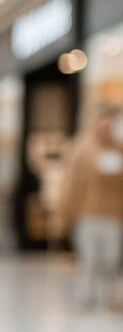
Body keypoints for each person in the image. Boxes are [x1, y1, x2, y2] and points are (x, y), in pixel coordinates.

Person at [61, 105, 123, 311]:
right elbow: (72, 183)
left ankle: (111, 298)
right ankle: (85, 297)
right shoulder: (82, 150)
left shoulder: (119, 150)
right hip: (87, 215)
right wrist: (66, 212)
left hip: (114, 215)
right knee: (88, 259)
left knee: (111, 259)